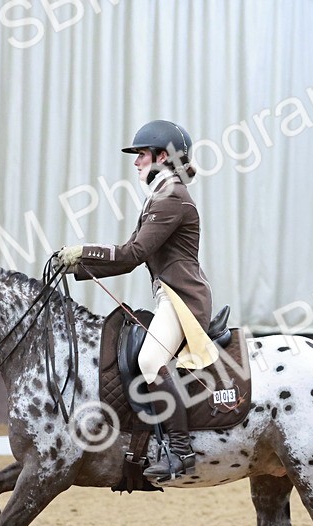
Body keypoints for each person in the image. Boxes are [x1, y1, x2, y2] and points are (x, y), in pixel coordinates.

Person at [57, 120, 213, 482]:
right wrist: (78, 266)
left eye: (142, 154)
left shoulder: (172, 197)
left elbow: (133, 252)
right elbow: (130, 259)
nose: (136, 161)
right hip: (169, 297)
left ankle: (180, 450)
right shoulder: (159, 197)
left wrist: (83, 249)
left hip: (183, 299)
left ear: (162, 156)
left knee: (150, 359)